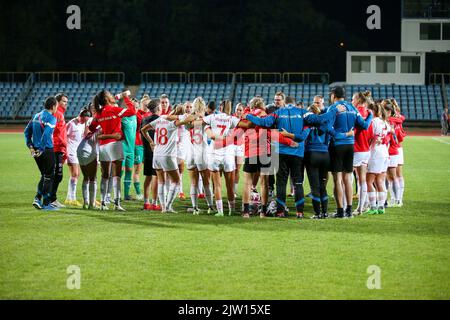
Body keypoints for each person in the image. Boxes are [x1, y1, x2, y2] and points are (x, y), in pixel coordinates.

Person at [244, 95, 338, 219]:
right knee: (298, 183)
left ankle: (280, 212)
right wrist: (335, 110)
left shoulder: (278, 113)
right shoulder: (302, 112)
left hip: (281, 152)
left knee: (281, 183)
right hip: (297, 154)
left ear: (285, 103)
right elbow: (319, 119)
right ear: (293, 104)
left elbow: (263, 122)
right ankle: (300, 212)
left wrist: (248, 116)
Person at [281, 104, 354, 219]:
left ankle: (317, 213)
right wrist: (348, 134)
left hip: (311, 155)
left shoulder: (307, 125)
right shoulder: (326, 124)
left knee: (314, 186)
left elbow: (301, 137)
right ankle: (324, 212)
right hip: (325, 156)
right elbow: (336, 136)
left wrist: (287, 135)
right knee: (322, 186)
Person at [323, 86, 373, 219]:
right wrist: (371, 115)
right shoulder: (353, 108)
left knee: (337, 180)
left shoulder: (333, 108)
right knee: (348, 178)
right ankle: (349, 211)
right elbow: (365, 125)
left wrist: (340, 135)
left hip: (337, 145)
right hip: (350, 146)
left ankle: (340, 211)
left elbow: (327, 127)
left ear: (334, 95)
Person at [141, 105, 197, 213]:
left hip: (156, 155)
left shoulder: (159, 120)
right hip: (168, 156)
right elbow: (191, 118)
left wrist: (151, 142)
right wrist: (181, 116)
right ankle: (168, 206)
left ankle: (163, 208)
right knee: (176, 181)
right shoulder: (173, 123)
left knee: (161, 181)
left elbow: (143, 130)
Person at [88, 90, 137, 211]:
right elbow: (132, 111)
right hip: (115, 144)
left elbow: (91, 127)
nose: (112, 95)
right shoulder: (114, 109)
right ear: (106, 98)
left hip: (103, 147)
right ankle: (116, 203)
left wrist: (103, 132)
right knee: (116, 176)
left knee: (104, 175)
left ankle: (103, 203)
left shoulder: (99, 113)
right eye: (109, 94)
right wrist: (126, 98)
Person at [203, 100, 241, 216]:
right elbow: (242, 128)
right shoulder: (232, 119)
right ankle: (231, 210)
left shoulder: (212, 117)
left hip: (215, 152)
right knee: (230, 185)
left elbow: (198, 123)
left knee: (217, 184)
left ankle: (220, 211)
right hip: (228, 153)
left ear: (220, 107)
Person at [24, 97, 59, 211]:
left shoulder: (36, 116)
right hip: (46, 150)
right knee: (49, 176)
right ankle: (46, 203)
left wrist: (30, 146)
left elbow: (26, 132)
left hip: (35, 150)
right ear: (53, 106)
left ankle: (38, 199)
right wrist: (42, 149)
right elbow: (46, 134)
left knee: (44, 175)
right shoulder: (52, 118)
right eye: (56, 106)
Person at [366, 102, 390, 215]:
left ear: (372, 111)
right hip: (384, 152)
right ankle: (381, 207)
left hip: (375, 153)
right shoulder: (384, 121)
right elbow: (389, 133)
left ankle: (373, 207)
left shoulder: (373, 121)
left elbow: (371, 137)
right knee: (379, 180)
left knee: (368, 181)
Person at [351, 91, 373, 215]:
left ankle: (345, 206)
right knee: (362, 179)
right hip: (366, 150)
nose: (351, 101)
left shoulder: (356, 112)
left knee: (347, 177)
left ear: (359, 100)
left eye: (353, 99)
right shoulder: (369, 113)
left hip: (356, 149)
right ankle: (360, 207)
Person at [65, 108, 91, 206]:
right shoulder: (71, 124)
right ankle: (72, 198)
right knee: (75, 173)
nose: (84, 121)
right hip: (71, 151)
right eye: (84, 119)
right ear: (80, 116)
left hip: (79, 152)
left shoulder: (84, 124)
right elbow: (64, 136)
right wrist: (65, 151)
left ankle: (69, 198)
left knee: (76, 175)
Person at [77, 104, 100, 209]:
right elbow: (89, 134)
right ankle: (91, 204)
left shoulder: (89, 120)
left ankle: (85, 203)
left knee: (86, 177)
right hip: (90, 150)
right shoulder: (98, 120)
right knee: (93, 178)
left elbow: (86, 133)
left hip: (80, 148)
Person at [140, 99, 161, 211]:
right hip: (157, 152)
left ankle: (146, 202)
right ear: (158, 108)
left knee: (148, 177)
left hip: (146, 152)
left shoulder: (144, 120)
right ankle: (154, 203)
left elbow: (141, 136)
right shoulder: (161, 120)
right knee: (156, 177)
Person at [49, 93, 69, 209]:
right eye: (64, 101)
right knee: (57, 174)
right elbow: (54, 132)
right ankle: (51, 199)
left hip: (58, 147)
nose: (66, 104)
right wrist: (65, 145)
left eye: (66, 102)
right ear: (57, 102)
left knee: (56, 174)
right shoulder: (58, 114)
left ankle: (50, 198)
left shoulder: (60, 114)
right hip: (56, 147)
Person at [133, 95, 152, 201]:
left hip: (149, 145)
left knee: (150, 171)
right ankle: (139, 193)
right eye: (144, 104)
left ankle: (149, 194)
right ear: (141, 104)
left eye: (147, 104)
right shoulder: (136, 113)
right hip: (138, 144)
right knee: (137, 170)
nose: (146, 106)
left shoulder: (151, 114)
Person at [121, 96, 138, 201]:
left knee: (129, 170)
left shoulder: (135, 117)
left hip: (131, 149)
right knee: (119, 172)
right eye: (133, 107)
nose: (135, 109)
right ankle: (115, 194)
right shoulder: (123, 117)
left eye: (136, 107)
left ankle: (126, 195)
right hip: (123, 147)